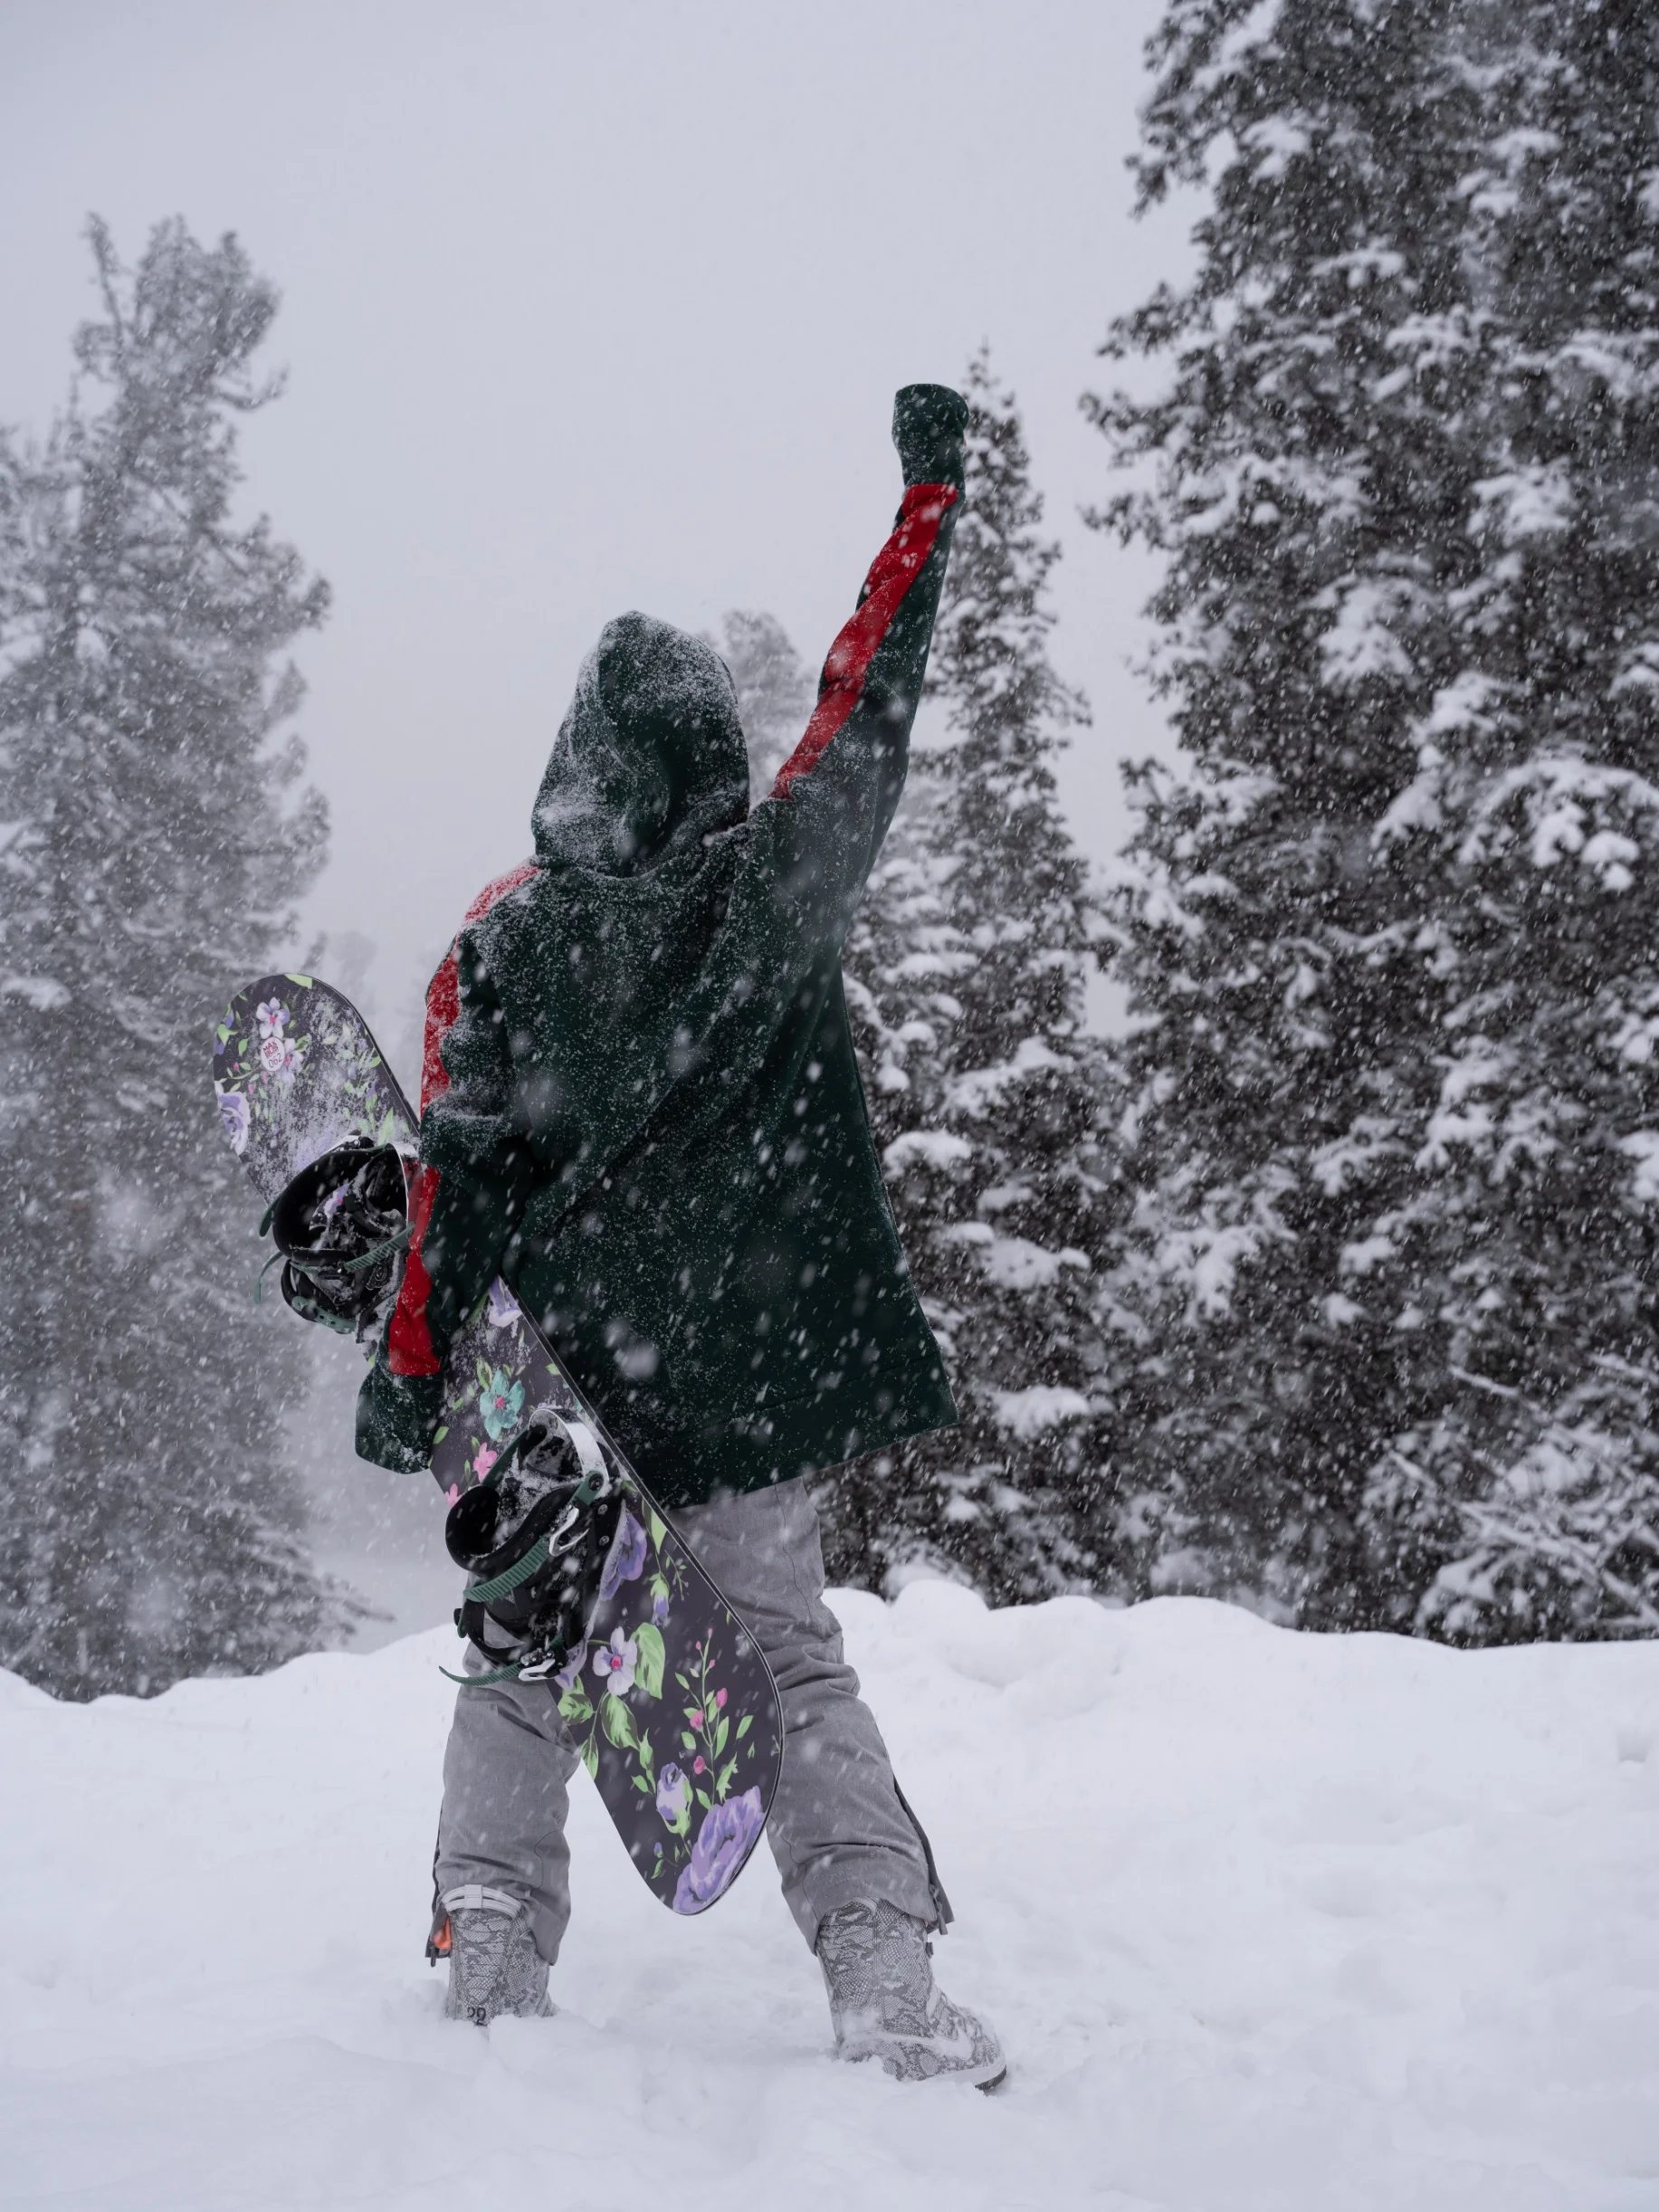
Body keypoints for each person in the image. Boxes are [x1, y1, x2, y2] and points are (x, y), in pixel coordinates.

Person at [357, 385, 1004, 2088]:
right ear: (705, 767)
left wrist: (417, 1370)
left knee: (519, 1634)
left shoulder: (501, 948)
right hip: (751, 1391)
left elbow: (454, 1177)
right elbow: (871, 705)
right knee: (785, 1664)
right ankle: (883, 1980)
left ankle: (490, 1950)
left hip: (574, 1394)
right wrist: (927, 508)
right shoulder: (773, 893)